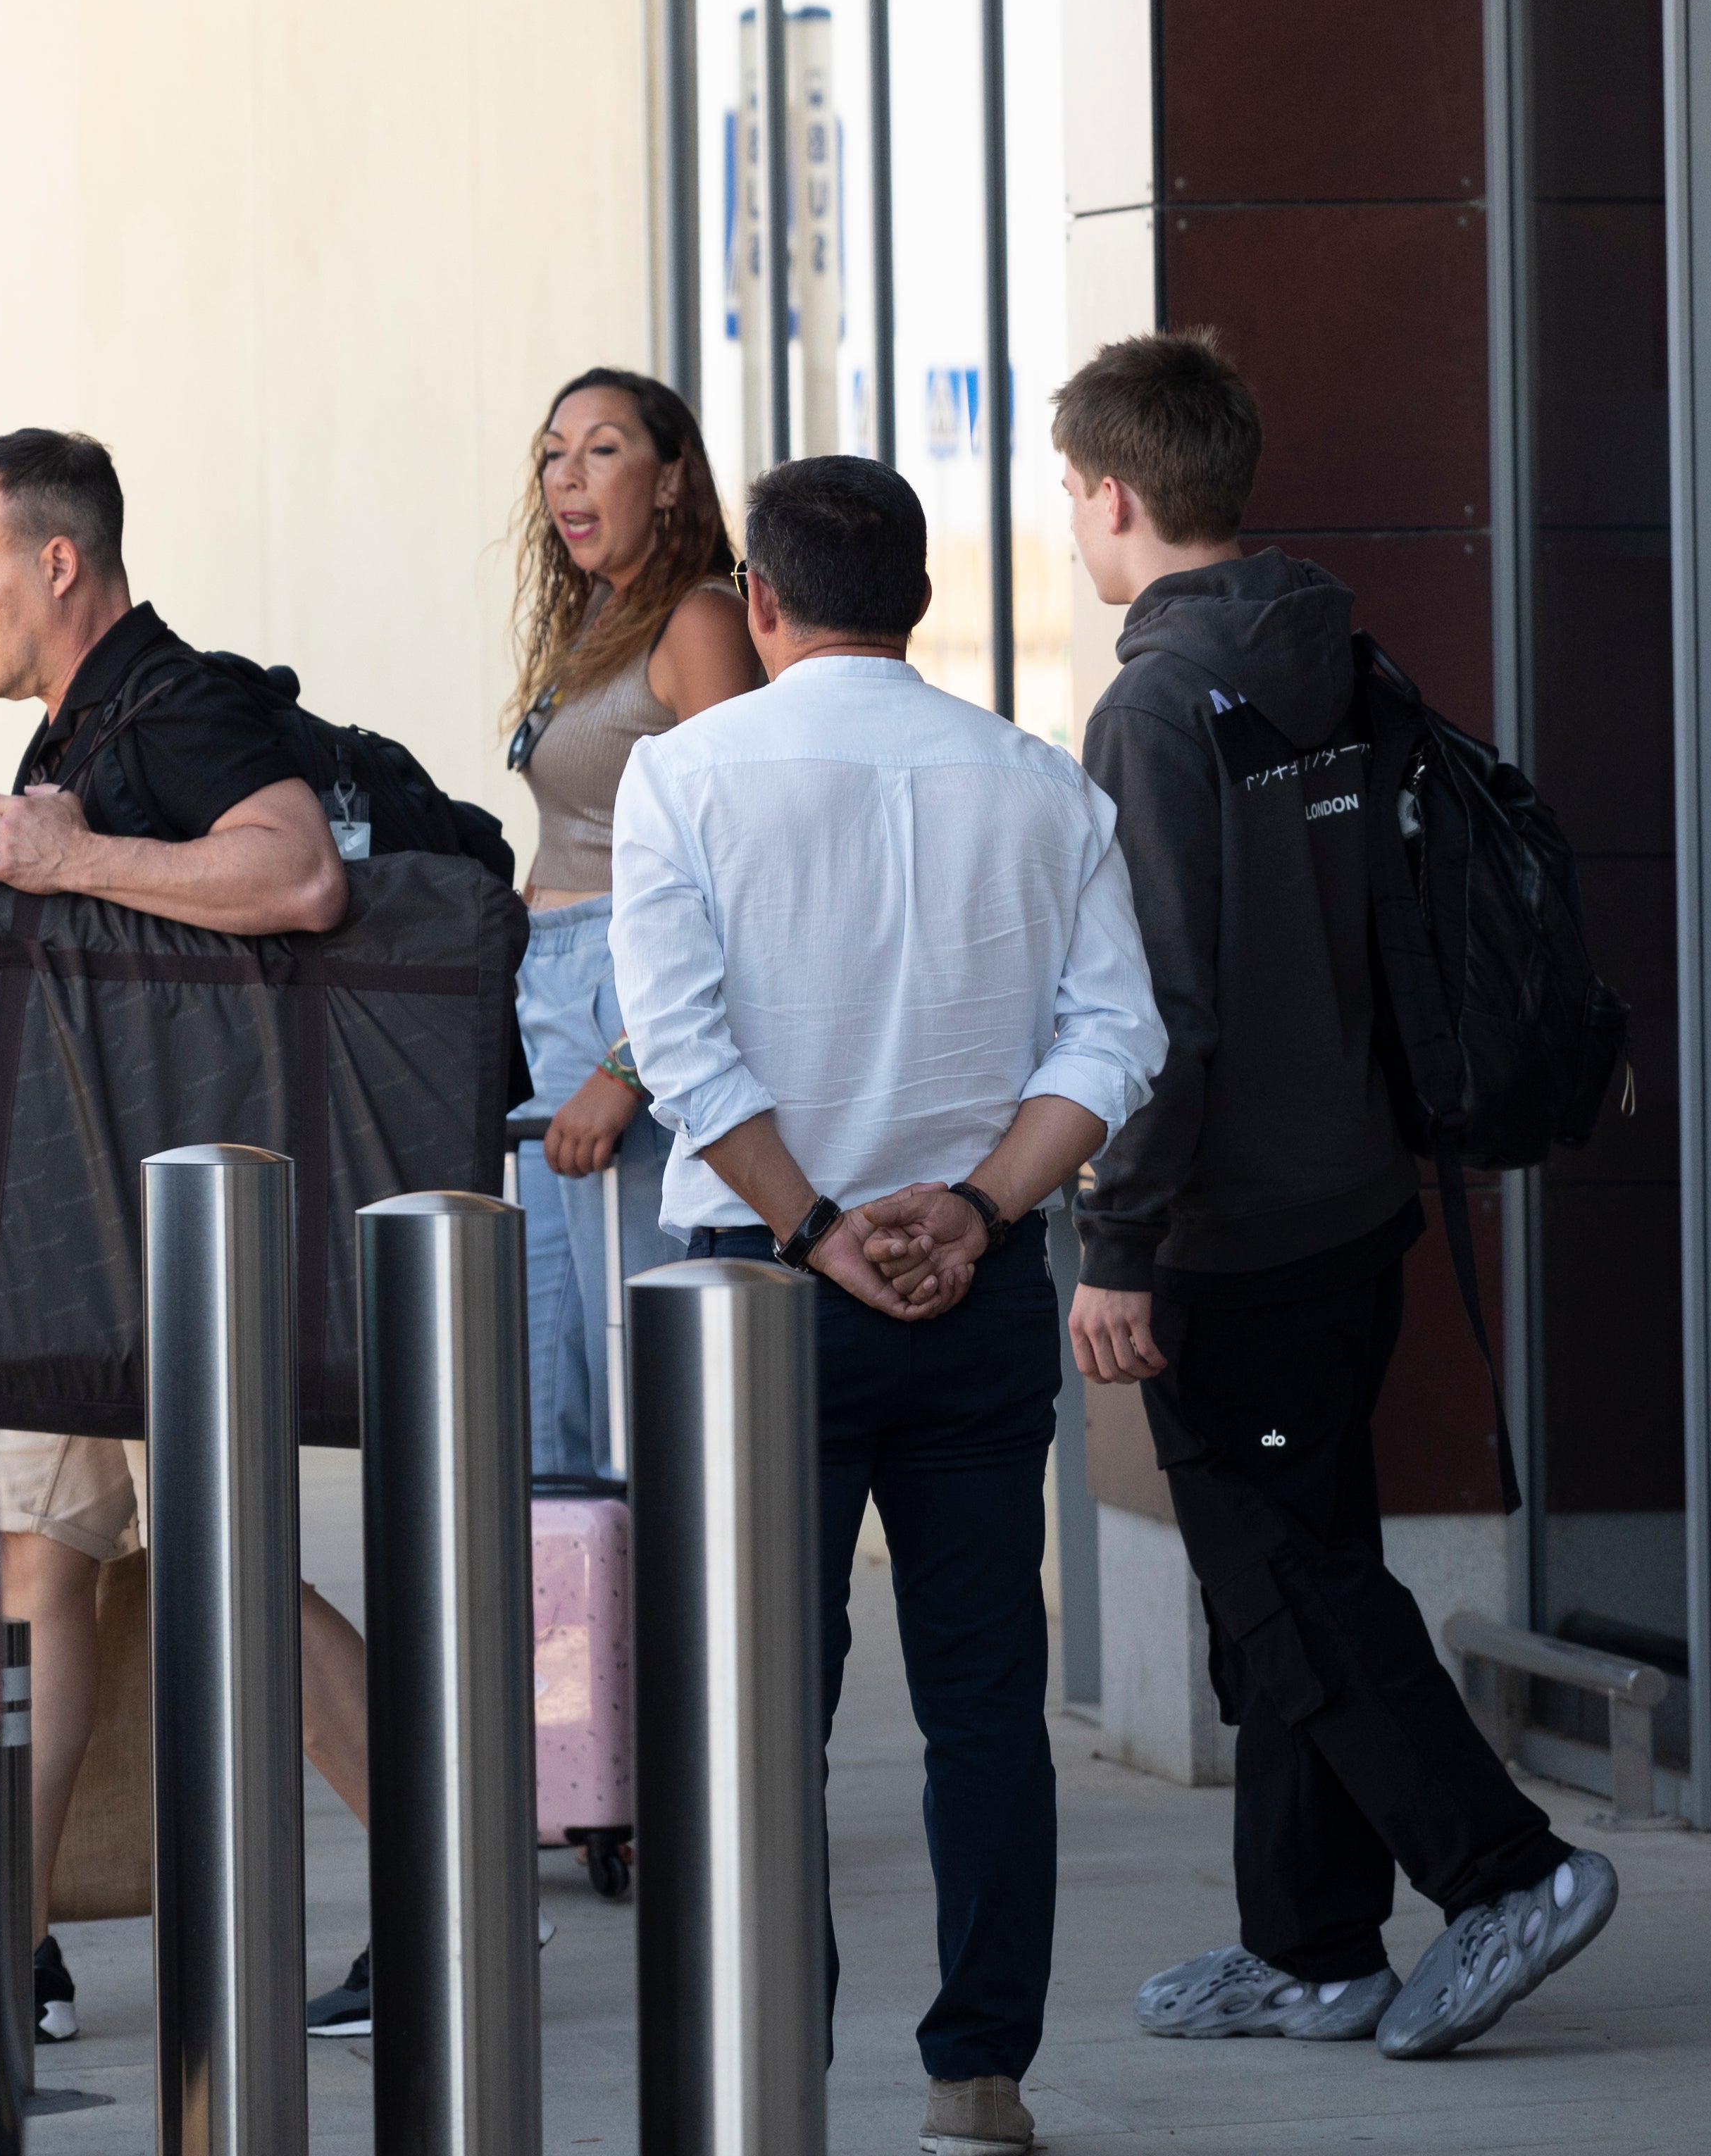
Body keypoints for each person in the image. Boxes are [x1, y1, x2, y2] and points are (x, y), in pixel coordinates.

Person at [1052, 330, 1620, 2062]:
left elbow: (1165, 1004)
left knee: (1295, 1589)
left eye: (1071, 495)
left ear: (1118, 494)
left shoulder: (1159, 704)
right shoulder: (1334, 654)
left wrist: (1119, 1241)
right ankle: (1310, 1946)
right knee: (1286, 1581)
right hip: (1358, 1201)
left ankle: (1509, 1870)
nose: (1074, 523)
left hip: (1239, 1227)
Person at [607, 454, 1164, 2156]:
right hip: (976, 1287)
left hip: (750, 1298)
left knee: (756, 1705)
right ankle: (976, 2076)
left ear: (759, 603)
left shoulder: (680, 777)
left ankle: (776, 2063)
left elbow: (683, 1051)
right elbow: (1118, 1041)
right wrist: (981, 1205)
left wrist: (817, 1226)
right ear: (915, 597)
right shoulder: (1038, 784)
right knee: (986, 1698)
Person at [0, 425, 385, 2042]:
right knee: (45, 1562)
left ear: (60, 563)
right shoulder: (92, 713)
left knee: (225, 1566)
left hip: (183, 1226)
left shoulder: (175, 700)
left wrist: (69, 854)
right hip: (102, 1223)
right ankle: (9, 1943)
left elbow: (299, 872)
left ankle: (441, 1882)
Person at [499, 369, 759, 1479]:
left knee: (632, 1384)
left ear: (672, 481)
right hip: (555, 985)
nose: (567, 473)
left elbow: (741, 867)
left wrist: (629, 1066)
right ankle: (573, 1652)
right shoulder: (596, 620)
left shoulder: (699, 616)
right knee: (545, 1377)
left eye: (603, 449)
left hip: (629, 993)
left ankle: (665, 1645)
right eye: (555, 450)